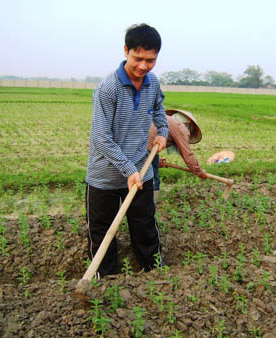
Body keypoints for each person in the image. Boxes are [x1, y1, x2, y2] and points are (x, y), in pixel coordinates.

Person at [85, 23, 168, 278]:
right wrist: (128, 170)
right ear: (126, 51)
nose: (143, 66)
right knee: (102, 232)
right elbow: (101, 138)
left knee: (145, 227)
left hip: (141, 170)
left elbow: (159, 108)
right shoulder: (107, 89)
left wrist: (162, 133)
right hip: (105, 176)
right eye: (138, 58)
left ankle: (155, 272)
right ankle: (106, 278)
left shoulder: (152, 83)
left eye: (150, 60)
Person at [148, 109, 208, 202]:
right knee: (152, 182)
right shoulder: (180, 126)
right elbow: (187, 154)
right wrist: (199, 172)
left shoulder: (163, 120)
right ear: (188, 124)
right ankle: (150, 206)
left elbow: (152, 141)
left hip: (136, 147)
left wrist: (157, 163)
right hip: (145, 150)